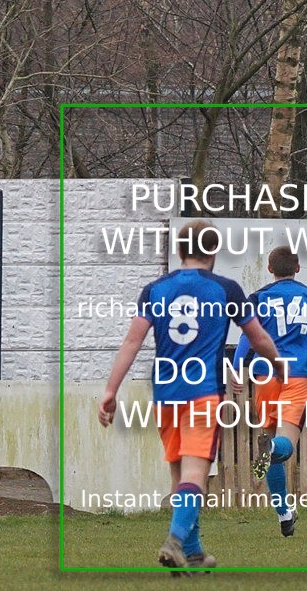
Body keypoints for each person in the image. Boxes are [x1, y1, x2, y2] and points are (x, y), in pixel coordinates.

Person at [97, 220, 282, 572]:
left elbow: (132, 342)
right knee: (195, 474)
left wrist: (110, 390)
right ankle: (175, 541)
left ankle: (193, 552)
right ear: (213, 251)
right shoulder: (226, 289)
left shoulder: (155, 290)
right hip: (203, 393)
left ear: (180, 250)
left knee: (179, 474)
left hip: (165, 393)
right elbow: (257, 337)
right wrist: (278, 364)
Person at [232, 246, 307, 536]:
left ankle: (284, 514)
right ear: (297, 268)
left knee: (270, 439)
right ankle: (271, 450)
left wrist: (236, 367)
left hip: (265, 373)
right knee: (284, 445)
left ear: (269, 269)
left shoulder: (259, 297)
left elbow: (248, 338)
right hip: (297, 374)